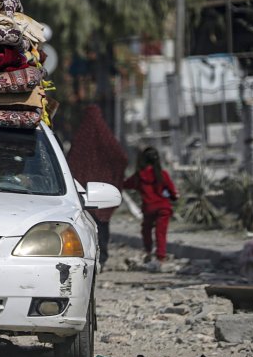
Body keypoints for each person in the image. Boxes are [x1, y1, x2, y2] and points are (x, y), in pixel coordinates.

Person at [66, 105, 128, 272]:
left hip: (83, 190)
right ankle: (102, 257)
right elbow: (121, 157)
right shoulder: (106, 137)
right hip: (103, 189)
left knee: (86, 224)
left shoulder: (80, 138)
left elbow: (69, 163)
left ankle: (90, 257)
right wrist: (112, 175)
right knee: (102, 224)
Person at [122, 147, 179, 265]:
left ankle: (148, 251)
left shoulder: (139, 176)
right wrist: (173, 197)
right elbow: (172, 192)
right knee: (161, 232)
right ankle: (161, 257)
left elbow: (126, 184)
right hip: (163, 208)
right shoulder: (162, 174)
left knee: (146, 230)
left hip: (149, 208)